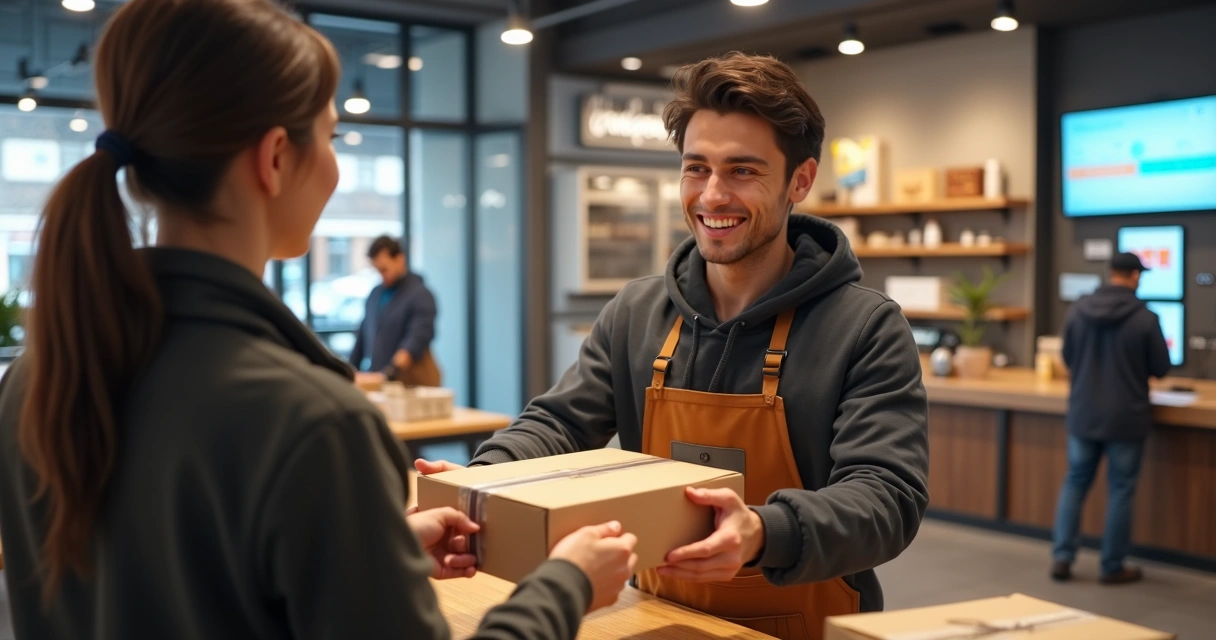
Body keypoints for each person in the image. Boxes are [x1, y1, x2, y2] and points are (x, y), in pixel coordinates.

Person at [0, 0, 638, 638]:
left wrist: (376, 555)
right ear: (274, 158)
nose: (334, 165)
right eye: (331, 137)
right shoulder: (312, 423)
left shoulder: (36, 382)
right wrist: (565, 584)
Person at [419, 52, 929, 640]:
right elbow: (557, 425)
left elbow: (886, 498)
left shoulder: (864, 327)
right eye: (696, 168)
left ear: (801, 180)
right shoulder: (637, 313)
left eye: (742, 170)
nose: (712, 195)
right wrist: (480, 484)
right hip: (660, 619)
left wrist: (765, 532)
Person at [1050, 251, 1171, 585]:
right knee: (1120, 489)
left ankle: (1062, 557)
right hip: (1126, 417)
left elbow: (1067, 357)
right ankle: (1112, 565)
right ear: (1133, 276)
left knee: (1075, 482)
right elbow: (1161, 369)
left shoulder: (1078, 310)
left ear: (1110, 273)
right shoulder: (1146, 318)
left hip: (1084, 412)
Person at [349, 235, 442, 387]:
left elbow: (417, 337)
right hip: (381, 378)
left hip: (411, 382)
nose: (381, 276)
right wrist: (350, 371)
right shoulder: (375, 294)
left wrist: (390, 372)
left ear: (400, 259)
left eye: (384, 269)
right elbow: (363, 335)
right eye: (377, 271)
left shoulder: (420, 294)